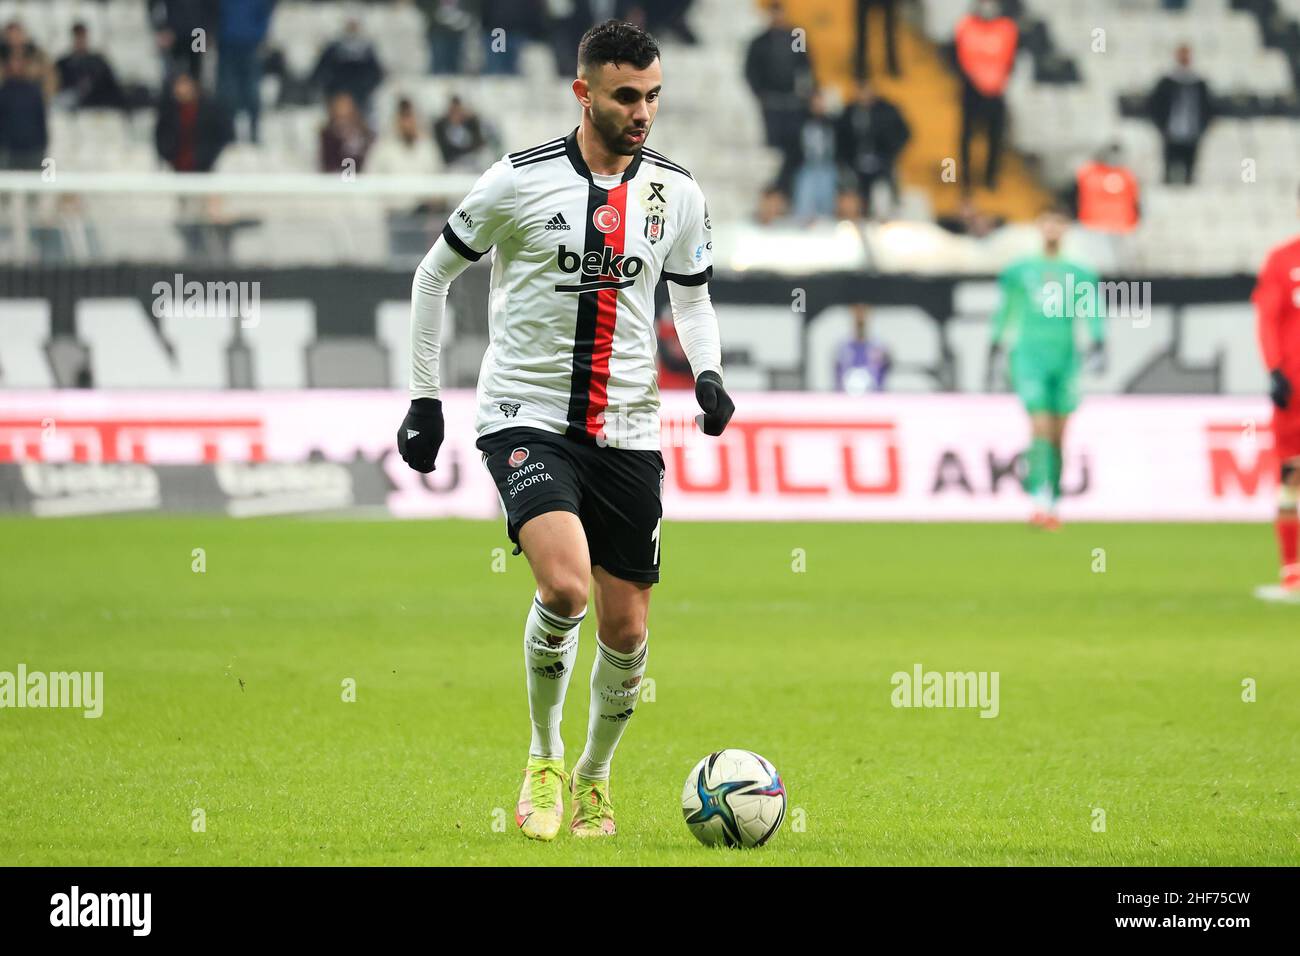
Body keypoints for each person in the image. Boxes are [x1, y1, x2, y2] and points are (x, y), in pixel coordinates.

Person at [396, 20, 731, 841]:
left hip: (630, 428)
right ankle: (543, 759)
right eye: (626, 96)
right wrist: (424, 398)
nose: (643, 111)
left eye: (653, 95)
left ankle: (593, 775)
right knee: (565, 586)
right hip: (526, 417)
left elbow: (689, 293)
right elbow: (433, 272)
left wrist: (710, 373)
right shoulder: (516, 181)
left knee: (628, 629)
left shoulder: (677, 193)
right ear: (583, 93)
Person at [987, 208, 1104, 529]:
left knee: (1059, 435)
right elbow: (1006, 309)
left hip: (1065, 358)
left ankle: (1053, 501)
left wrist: (1098, 340)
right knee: (1039, 428)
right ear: (1040, 227)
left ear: (1065, 228)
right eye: (1047, 222)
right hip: (1029, 356)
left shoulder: (1079, 273)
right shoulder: (1021, 271)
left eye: (1059, 222)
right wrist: (996, 343)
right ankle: (1038, 500)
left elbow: (1091, 309)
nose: (1053, 228)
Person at [1250, 191, 1300, 593]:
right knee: (1292, 475)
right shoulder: (1283, 259)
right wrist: (1273, 369)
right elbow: (1267, 319)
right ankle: (1291, 568)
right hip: (1295, 390)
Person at [954, 0, 1017, 193]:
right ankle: (965, 178)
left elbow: (1011, 59)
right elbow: (958, 58)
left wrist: (997, 80)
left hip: (997, 90)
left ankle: (991, 178)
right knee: (967, 135)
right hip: (971, 91)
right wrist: (975, 78)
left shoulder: (1007, 28)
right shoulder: (966, 25)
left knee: (995, 136)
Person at [744, 3, 815, 153]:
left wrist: (805, 91)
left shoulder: (796, 36)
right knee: (773, 143)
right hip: (771, 100)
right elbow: (751, 70)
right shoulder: (760, 42)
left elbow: (804, 64)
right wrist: (760, 92)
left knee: (794, 142)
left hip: (793, 100)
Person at [836, 79, 910, 217]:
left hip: (882, 161)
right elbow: (841, 139)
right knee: (855, 193)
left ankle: (887, 217)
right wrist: (847, 159)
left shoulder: (887, 110)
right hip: (856, 164)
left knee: (882, 192)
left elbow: (904, 133)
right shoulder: (849, 112)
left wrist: (890, 153)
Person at [1148, 44, 1212, 185]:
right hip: (1171, 131)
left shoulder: (1199, 83)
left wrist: (1202, 127)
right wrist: (1162, 127)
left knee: (1190, 171)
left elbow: (1208, 109)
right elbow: (1155, 107)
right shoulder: (1166, 82)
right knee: (1169, 170)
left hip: (1192, 132)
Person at [216, 0, 273, 143]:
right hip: (226, 47)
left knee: (252, 91)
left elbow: (265, 13)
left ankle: (254, 132)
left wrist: (259, 36)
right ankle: (230, 134)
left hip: (251, 47)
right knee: (228, 93)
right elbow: (212, 13)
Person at [310, 18, 383, 114]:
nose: (352, 29)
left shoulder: (368, 50)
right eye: (349, 25)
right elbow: (321, 73)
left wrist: (360, 93)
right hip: (336, 97)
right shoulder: (332, 49)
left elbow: (375, 75)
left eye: (354, 25)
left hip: (360, 99)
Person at [55, 23, 124, 109]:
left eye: (82, 37)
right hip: (74, 99)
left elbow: (110, 82)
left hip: (97, 99)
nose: (80, 41)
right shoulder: (63, 62)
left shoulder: (98, 61)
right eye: (78, 37)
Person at [0, 50, 48, 170]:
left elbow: (41, 120)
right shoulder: (3, 92)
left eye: (20, 61)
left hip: (33, 150)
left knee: (33, 185)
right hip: (9, 150)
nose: (17, 65)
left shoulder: (34, 91)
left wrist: (42, 145)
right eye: (14, 61)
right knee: (7, 186)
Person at [835, 304, 891, 393]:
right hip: (848, 394)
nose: (860, 319)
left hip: (873, 394)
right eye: (857, 316)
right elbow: (838, 374)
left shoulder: (878, 346)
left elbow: (883, 373)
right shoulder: (843, 347)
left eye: (863, 315)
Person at [319, 91, 373, 173]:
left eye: (347, 116)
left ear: (355, 114)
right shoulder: (325, 138)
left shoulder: (367, 137)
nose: (343, 122)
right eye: (339, 117)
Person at [432, 95, 487, 170]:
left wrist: (472, 120)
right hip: (452, 165)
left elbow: (479, 143)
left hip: (472, 162)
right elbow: (445, 152)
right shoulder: (441, 127)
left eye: (458, 111)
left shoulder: (470, 124)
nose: (456, 115)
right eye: (453, 111)